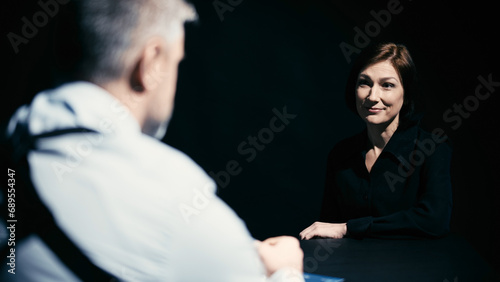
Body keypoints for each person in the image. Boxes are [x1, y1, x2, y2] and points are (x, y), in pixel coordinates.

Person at [0, 0, 304, 281]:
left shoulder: (15, 143)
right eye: (176, 61)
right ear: (152, 62)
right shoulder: (177, 201)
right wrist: (286, 271)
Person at [300, 43, 452, 240]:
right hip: (348, 268)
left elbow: (434, 221)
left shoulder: (432, 149)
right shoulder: (341, 155)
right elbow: (328, 227)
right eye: (364, 83)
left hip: (411, 268)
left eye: (387, 85)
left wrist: (349, 228)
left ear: (406, 94)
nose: (373, 96)